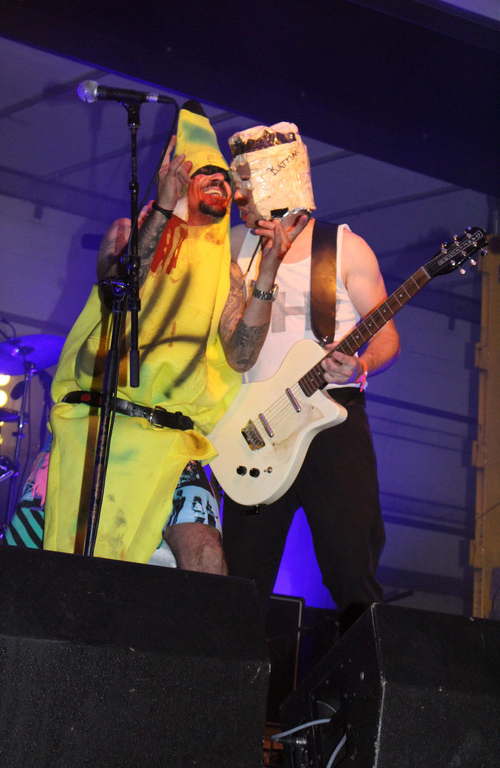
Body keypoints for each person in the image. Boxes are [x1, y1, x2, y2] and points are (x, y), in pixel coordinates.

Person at [4, 102, 305, 575]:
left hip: (172, 440)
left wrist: (267, 271)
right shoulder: (127, 231)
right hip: (96, 425)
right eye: (206, 173)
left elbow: (242, 356)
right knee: (36, 565)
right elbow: (119, 287)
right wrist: (164, 209)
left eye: (225, 178)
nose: (221, 182)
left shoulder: (228, 273)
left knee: (207, 555)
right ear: (178, 178)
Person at [219, 122, 400, 633]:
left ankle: (362, 679)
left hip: (331, 418)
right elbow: (231, 348)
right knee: (240, 582)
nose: (239, 197)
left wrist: (362, 365)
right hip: (254, 426)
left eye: (248, 183)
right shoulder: (232, 248)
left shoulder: (345, 248)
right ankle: (234, 678)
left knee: (352, 572)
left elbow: (387, 337)